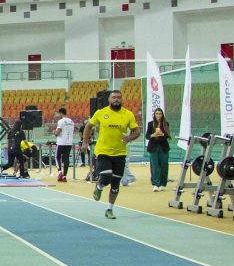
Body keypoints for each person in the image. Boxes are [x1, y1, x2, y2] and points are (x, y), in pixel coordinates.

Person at [82, 89, 140, 220]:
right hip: (103, 151)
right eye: (113, 97)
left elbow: (136, 131)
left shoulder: (128, 114)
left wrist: (129, 138)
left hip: (120, 153)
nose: (116, 99)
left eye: (118, 97)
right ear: (109, 99)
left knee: (115, 184)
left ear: (122, 99)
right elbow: (88, 127)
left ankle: (109, 209)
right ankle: (99, 186)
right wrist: (85, 143)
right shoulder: (101, 113)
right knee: (106, 176)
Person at [146, 107, 171, 191]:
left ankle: (163, 183)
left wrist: (162, 134)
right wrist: (153, 135)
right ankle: (156, 184)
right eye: (157, 113)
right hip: (153, 147)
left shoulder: (166, 124)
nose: (158, 115)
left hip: (163, 147)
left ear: (162, 115)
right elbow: (147, 136)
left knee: (164, 166)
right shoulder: (150, 124)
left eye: (160, 113)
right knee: (154, 166)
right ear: (154, 115)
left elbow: (168, 136)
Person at [53, 108, 75, 182]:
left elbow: (57, 133)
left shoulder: (61, 121)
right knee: (66, 159)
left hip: (61, 142)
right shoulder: (71, 121)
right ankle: (65, 176)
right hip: (69, 143)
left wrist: (54, 132)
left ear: (61, 113)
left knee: (57, 156)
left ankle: (60, 172)